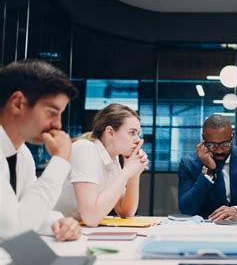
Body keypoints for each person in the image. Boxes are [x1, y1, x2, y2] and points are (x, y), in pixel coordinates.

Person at [0, 59, 81, 241]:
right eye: (51, 112)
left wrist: (57, 222)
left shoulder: (23, 155)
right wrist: (61, 160)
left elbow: (24, 210)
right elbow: (14, 230)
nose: (58, 124)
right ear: (18, 103)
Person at [54, 103, 148, 227]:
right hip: (48, 230)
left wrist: (134, 175)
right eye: (132, 133)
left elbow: (126, 212)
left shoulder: (113, 160)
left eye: (138, 134)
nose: (138, 140)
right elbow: (91, 218)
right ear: (110, 132)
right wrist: (126, 173)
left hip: (73, 230)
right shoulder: (85, 149)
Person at [178, 114, 237, 220]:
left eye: (225, 144)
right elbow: (186, 209)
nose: (219, 151)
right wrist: (208, 170)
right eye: (213, 145)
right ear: (204, 139)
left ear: (232, 136)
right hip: (205, 227)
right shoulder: (188, 163)